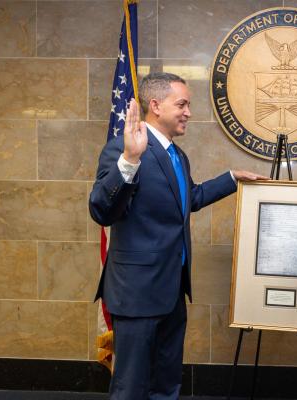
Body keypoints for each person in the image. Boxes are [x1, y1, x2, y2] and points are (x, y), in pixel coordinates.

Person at [89, 72, 267, 400]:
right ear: (155, 105)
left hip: (172, 290)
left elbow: (189, 200)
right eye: (181, 104)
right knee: (130, 386)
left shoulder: (177, 155)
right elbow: (101, 210)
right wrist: (129, 160)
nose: (188, 112)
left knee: (166, 382)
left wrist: (231, 178)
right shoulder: (125, 147)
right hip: (137, 292)